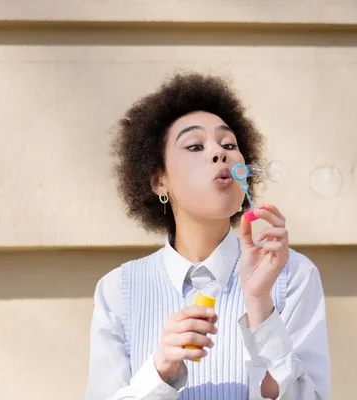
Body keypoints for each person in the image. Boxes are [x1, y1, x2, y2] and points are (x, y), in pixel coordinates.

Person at [84, 72, 331, 399]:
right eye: (195, 145)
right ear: (159, 180)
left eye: (229, 144)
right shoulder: (118, 291)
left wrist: (259, 306)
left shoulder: (292, 275)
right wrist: (159, 372)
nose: (219, 153)